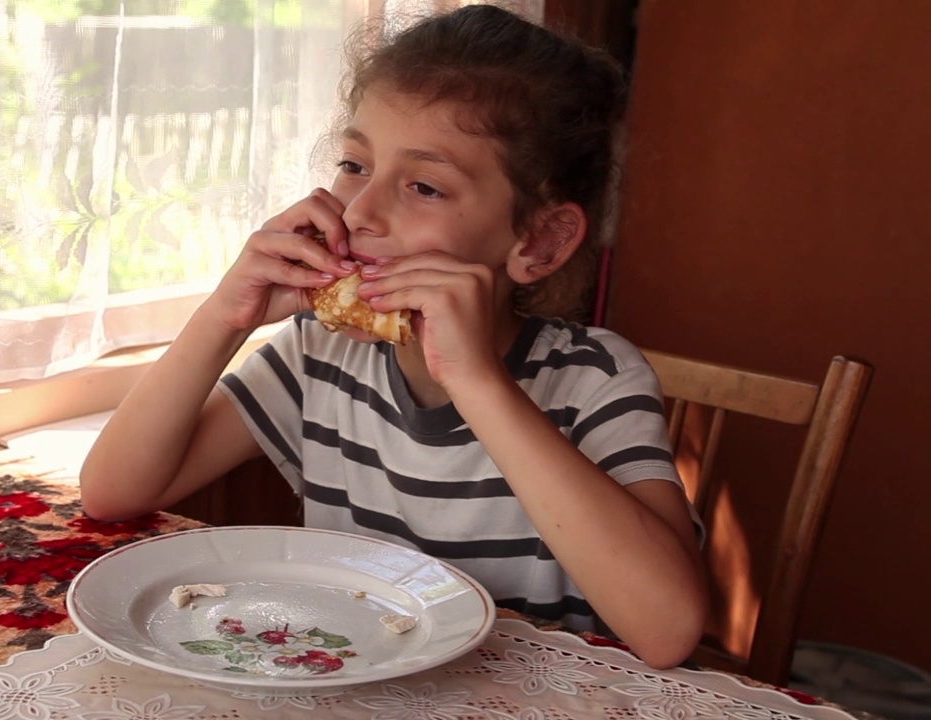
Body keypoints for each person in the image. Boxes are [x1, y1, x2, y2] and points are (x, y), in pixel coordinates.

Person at [80, 3, 707, 669]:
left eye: (425, 186)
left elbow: (667, 630)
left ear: (540, 241)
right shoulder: (322, 354)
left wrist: (476, 383)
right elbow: (114, 491)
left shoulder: (594, 379)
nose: (360, 211)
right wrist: (221, 316)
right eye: (355, 164)